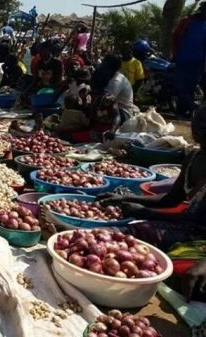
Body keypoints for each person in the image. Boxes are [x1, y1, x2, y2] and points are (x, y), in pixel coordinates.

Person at [97, 105, 206, 254]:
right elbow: (171, 199)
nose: (199, 127)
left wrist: (146, 213)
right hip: (184, 224)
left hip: (199, 237)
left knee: (124, 233)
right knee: (112, 232)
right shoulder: (193, 158)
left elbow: (194, 219)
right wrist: (127, 197)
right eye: (198, 121)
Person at [172, 1, 206, 117]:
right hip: (182, 60)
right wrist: (175, 54)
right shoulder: (187, 21)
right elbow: (175, 37)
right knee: (180, 87)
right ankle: (192, 109)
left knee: (190, 88)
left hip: (198, 63)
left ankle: (183, 112)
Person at [92, 54, 135, 120]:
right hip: (113, 108)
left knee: (95, 113)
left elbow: (104, 101)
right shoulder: (109, 76)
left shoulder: (117, 80)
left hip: (123, 112)